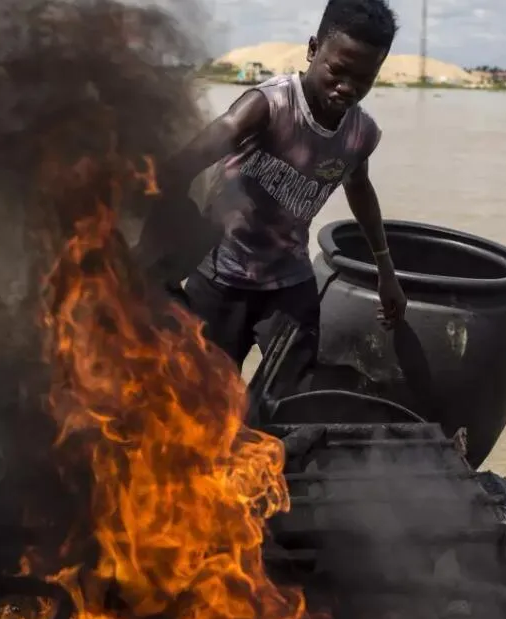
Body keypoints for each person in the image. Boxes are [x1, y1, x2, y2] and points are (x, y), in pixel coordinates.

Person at [158, 0, 407, 372]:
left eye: (363, 80)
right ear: (312, 50)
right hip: (221, 277)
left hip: (289, 280)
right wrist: (154, 195)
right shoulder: (268, 106)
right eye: (338, 71)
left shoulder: (361, 133)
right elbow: (203, 149)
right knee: (203, 396)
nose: (347, 88)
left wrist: (386, 271)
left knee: (292, 397)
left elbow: (359, 188)